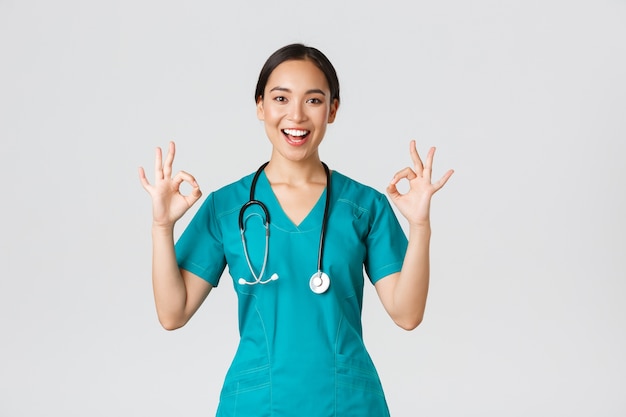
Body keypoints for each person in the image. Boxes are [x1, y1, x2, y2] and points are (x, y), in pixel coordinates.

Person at [138, 43, 453, 417]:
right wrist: (161, 226)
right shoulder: (227, 207)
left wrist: (420, 225)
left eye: (314, 101)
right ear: (260, 106)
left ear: (332, 110)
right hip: (256, 404)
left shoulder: (364, 207)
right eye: (281, 98)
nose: (296, 115)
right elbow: (173, 314)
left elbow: (407, 314)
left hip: (348, 403)